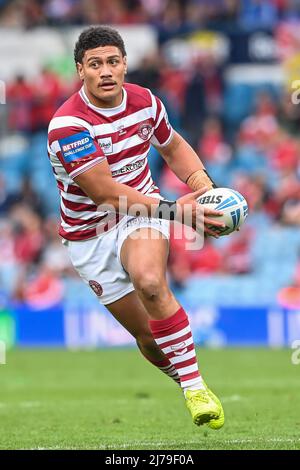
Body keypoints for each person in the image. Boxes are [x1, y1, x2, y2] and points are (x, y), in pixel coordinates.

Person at [47, 25, 225, 429]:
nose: (106, 71)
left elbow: (173, 145)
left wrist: (205, 187)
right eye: (95, 64)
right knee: (148, 339)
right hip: (89, 236)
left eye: (113, 61)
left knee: (148, 280)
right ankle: (187, 380)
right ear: (81, 71)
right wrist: (179, 212)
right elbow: (106, 196)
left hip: (139, 214)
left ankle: (196, 388)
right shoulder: (68, 126)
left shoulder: (146, 102)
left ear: (125, 64)